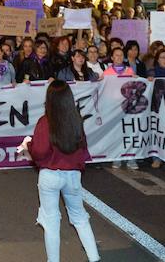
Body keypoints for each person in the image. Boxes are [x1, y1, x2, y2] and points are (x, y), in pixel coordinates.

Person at [27, 80, 100, 262]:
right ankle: (94, 258)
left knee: (51, 223)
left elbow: (40, 151)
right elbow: (82, 147)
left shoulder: (45, 121)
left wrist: (29, 145)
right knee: (80, 217)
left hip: (50, 175)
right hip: (72, 175)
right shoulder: (76, 119)